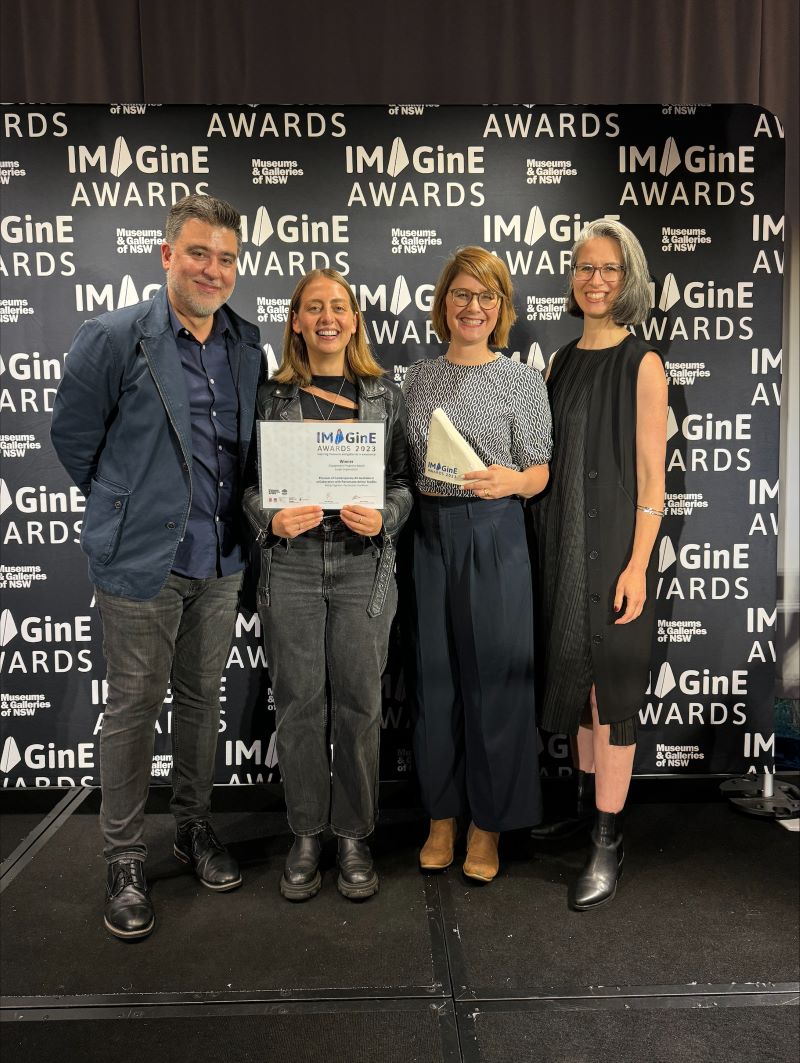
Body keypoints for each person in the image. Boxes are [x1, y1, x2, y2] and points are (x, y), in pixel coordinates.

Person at [51, 193, 264, 939]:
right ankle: (122, 855)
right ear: (167, 254)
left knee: (203, 701)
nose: (213, 268)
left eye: (227, 257)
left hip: (222, 554)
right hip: (141, 559)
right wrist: (126, 508)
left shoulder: (246, 343)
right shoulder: (114, 336)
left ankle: (193, 825)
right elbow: (76, 439)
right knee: (133, 707)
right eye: (199, 252)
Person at [243, 268, 412, 902]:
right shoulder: (272, 397)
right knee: (298, 704)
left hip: (361, 564)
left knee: (361, 705)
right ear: (295, 321)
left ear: (355, 320)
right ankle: (307, 831)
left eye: (338, 306)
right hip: (290, 563)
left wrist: (386, 517)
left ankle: (354, 834)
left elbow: (401, 485)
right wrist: (269, 517)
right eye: (313, 308)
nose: (326, 317)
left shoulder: (383, 396)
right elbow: (248, 488)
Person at [529, 218, 668, 911]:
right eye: (585, 267)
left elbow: (652, 475)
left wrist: (638, 562)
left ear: (628, 278)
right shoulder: (559, 361)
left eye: (609, 268)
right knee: (576, 683)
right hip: (563, 543)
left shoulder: (642, 362)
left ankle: (609, 839)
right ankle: (588, 812)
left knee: (607, 697)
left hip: (614, 547)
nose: (595, 279)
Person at [402, 246, 552, 883]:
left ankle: (487, 826)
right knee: (433, 683)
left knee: (493, 685)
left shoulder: (520, 379)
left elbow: (542, 470)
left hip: (493, 533)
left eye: (486, 297)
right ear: (444, 305)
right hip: (427, 536)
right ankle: (441, 818)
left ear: (502, 308)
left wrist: (512, 481)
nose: (473, 307)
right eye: (462, 295)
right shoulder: (413, 378)